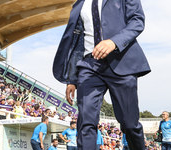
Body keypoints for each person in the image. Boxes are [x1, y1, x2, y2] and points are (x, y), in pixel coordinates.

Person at [53, 0, 151, 148]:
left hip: (121, 62)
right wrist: (72, 79)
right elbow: (77, 42)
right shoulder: (79, 4)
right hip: (89, 66)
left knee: (129, 124)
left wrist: (114, 42)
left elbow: (137, 21)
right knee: (85, 121)